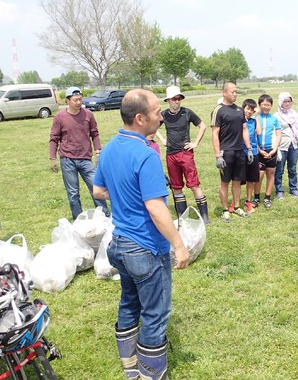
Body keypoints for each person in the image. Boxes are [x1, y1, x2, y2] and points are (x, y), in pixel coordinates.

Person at [93, 89, 190, 380]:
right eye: (157, 112)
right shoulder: (146, 154)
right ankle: (152, 376)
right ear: (139, 118)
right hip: (145, 248)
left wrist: (125, 197)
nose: (161, 117)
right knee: (155, 315)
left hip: (119, 244)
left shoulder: (109, 148)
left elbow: (98, 190)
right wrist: (179, 244)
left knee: (129, 303)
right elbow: (156, 208)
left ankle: (131, 370)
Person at [49, 86, 108, 220]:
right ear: (67, 101)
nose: (78, 102)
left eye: (80, 99)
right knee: (73, 193)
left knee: (96, 189)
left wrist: (98, 151)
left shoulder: (88, 115)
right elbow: (54, 138)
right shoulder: (60, 117)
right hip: (67, 159)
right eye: (75, 100)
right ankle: (78, 220)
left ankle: (104, 216)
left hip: (85, 159)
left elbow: (95, 134)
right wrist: (52, 157)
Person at [155, 86, 210, 224]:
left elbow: (202, 126)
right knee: (176, 186)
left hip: (186, 154)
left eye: (179, 98)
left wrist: (195, 143)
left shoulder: (187, 113)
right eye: (174, 99)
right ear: (168, 100)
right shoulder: (164, 115)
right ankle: (182, 216)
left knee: (193, 185)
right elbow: (153, 127)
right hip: (171, 155)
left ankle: (204, 216)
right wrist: (162, 140)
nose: (177, 101)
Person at [211, 82, 253, 223]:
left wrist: (248, 149)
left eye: (236, 92)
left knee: (237, 181)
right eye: (232, 92)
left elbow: (244, 130)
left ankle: (236, 206)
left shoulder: (239, 110)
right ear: (224, 92)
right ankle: (224, 210)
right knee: (225, 182)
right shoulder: (218, 110)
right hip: (226, 152)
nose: (235, 94)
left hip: (239, 151)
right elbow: (214, 134)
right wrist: (218, 155)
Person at [274, 92, 298, 200]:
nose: (287, 104)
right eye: (284, 101)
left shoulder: (294, 114)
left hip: (294, 144)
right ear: (280, 102)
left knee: (292, 168)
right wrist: (275, 148)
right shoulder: (276, 116)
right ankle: (279, 190)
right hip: (282, 145)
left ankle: (293, 188)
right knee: (279, 170)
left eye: (289, 101)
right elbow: (274, 133)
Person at [254, 94, 281, 209]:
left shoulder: (274, 118)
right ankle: (256, 197)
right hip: (259, 150)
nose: (266, 107)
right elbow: (253, 135)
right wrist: (259, 150)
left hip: (271, 151)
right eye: (264, 104)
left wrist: (274, 149)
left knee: (270, 174)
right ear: (259, 105)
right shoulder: (255, 117)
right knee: (259, 175)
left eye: (268, 105)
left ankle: (267, 197)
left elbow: (279, 135)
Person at [242, 98, 260, 213]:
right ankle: (236, 202)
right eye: (247, 109)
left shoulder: (253, 121)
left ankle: (248, 201)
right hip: (240, 152)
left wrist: (256, 116)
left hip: (253, 153)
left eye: (252, 110)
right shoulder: (239, 120)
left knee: (251, 179)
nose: (249, 112)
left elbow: (259, 132)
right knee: (237, 180)